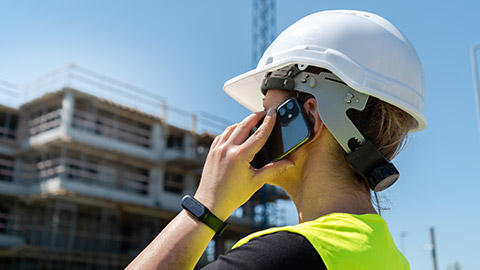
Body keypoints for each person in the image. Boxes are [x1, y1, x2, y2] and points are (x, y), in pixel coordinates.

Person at [126, 10, 425, 270]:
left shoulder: (286, 256)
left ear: (310, 115)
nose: (256, 127)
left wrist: (206, 205)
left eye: (269, 111)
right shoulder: (391, 257)